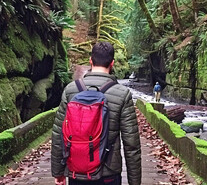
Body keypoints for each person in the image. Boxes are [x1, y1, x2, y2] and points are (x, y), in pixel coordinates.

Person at [51, 41, 141, 185]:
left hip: (76, 170)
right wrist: (134, 181)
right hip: (108, 172)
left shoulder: (70, 90)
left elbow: (58, 134)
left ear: (90, 61)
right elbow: (131, 144)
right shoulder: (122, 94)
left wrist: (58, 172)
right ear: (112, 63)